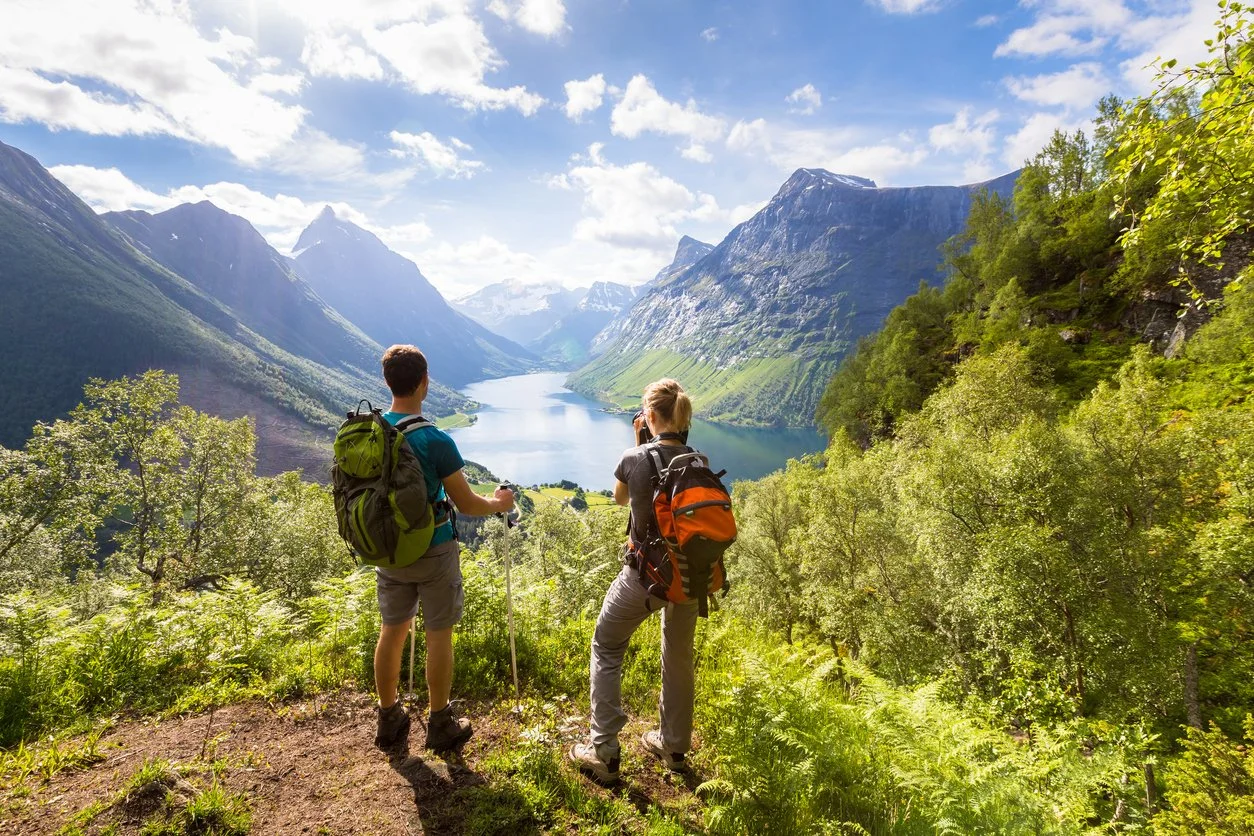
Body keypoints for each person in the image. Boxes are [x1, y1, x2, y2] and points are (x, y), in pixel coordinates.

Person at [373, 344, 515, 751]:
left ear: (388, 381)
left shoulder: (371, 431)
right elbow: (468, 504)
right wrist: (500, 504)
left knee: (392, 631)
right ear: (424, 382)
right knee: (438, 635)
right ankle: (440, 724)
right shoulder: (435, 439)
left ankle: (388, 718)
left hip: (388, 549)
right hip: (433, 549)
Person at [569, 378, 699, 784]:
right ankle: (674, 747)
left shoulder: (634, 456)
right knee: (678, 656)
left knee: (606, 645)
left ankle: (604, 751)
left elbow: (620, 498)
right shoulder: (699, 460)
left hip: (645, 576)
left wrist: (639, 441)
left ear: (651, 416)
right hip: (690, 577)